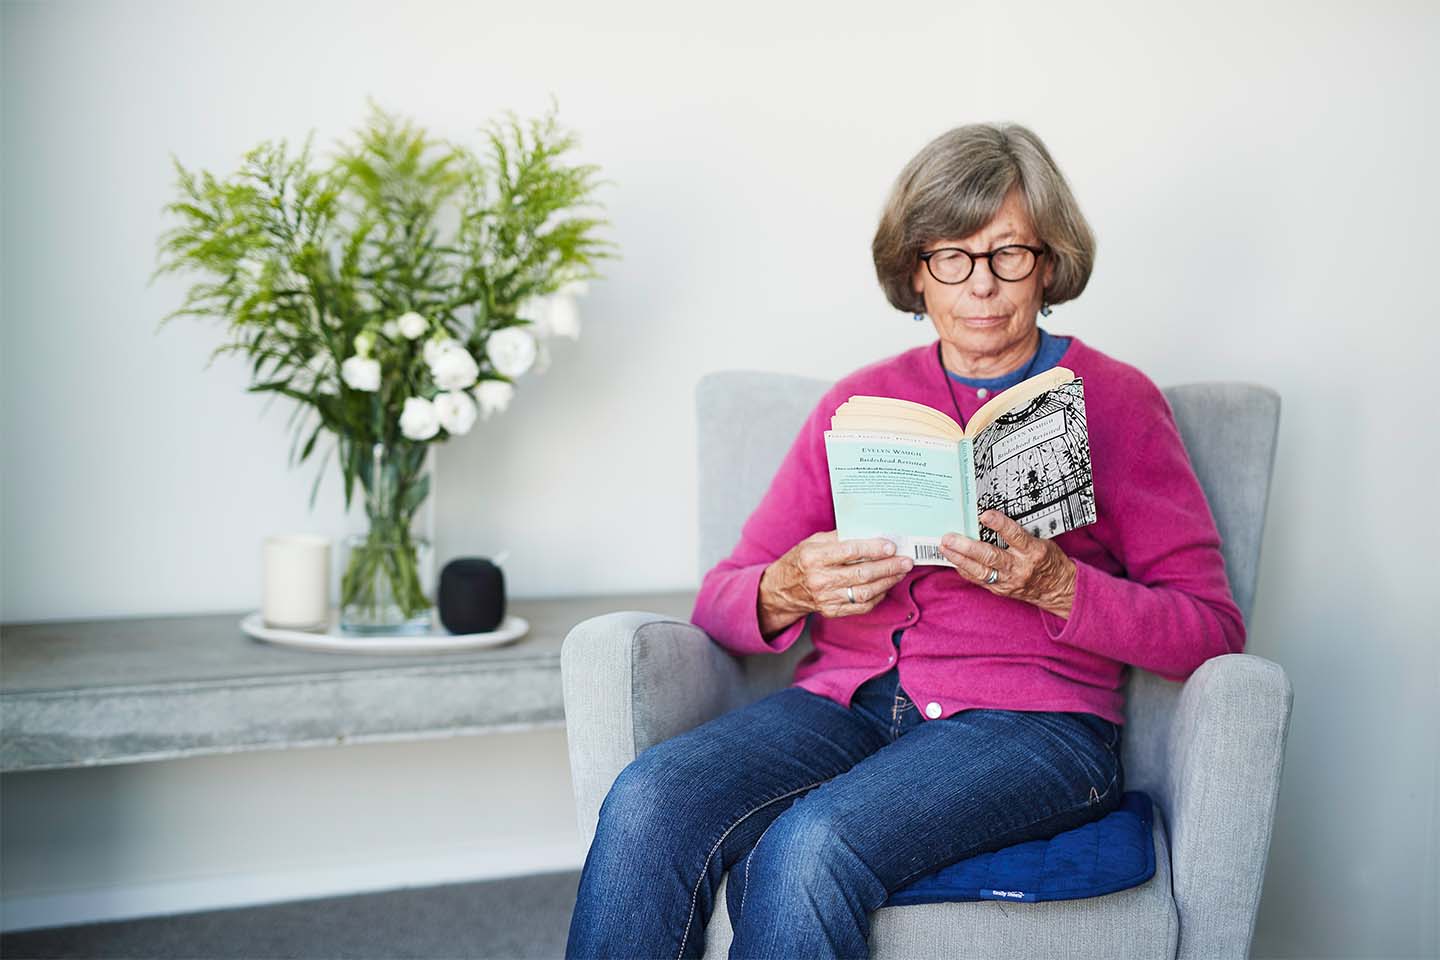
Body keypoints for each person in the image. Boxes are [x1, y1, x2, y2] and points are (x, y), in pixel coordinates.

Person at [566, 123, 1244, 960]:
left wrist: (1059, 588)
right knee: (648, 799)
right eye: (951, 257)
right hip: (848, 707)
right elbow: (721, 597)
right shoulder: (862, 404)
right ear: (916, 273)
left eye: (1009, 255)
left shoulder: (1115, 400)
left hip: (1033, 725)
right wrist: (788, 586)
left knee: (812, 846)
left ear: (1051, 261)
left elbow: (1212, 628)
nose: (982, 287)